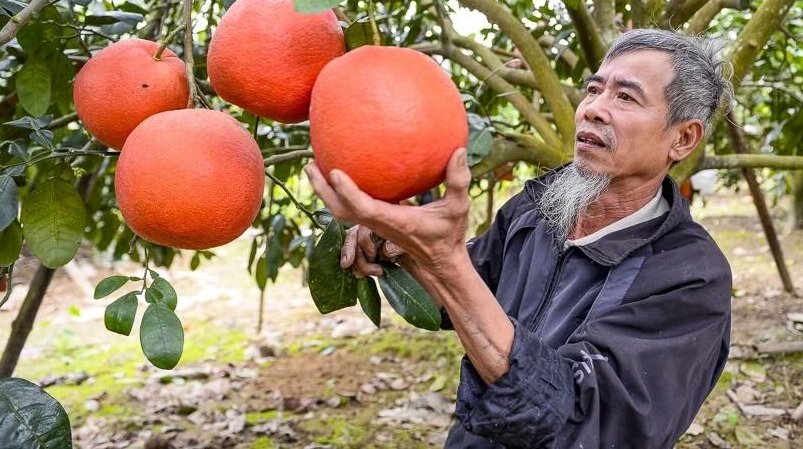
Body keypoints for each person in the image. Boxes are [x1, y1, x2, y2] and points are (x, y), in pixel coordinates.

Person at [304, 29, 734, 448]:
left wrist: (443, 256)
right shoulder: (538, 209)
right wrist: (404, 245)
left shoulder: (690, 277)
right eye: (593, 89)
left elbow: (582, 421)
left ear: (682, 138)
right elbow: (461, 301)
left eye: (625, 97)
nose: (593, 109)